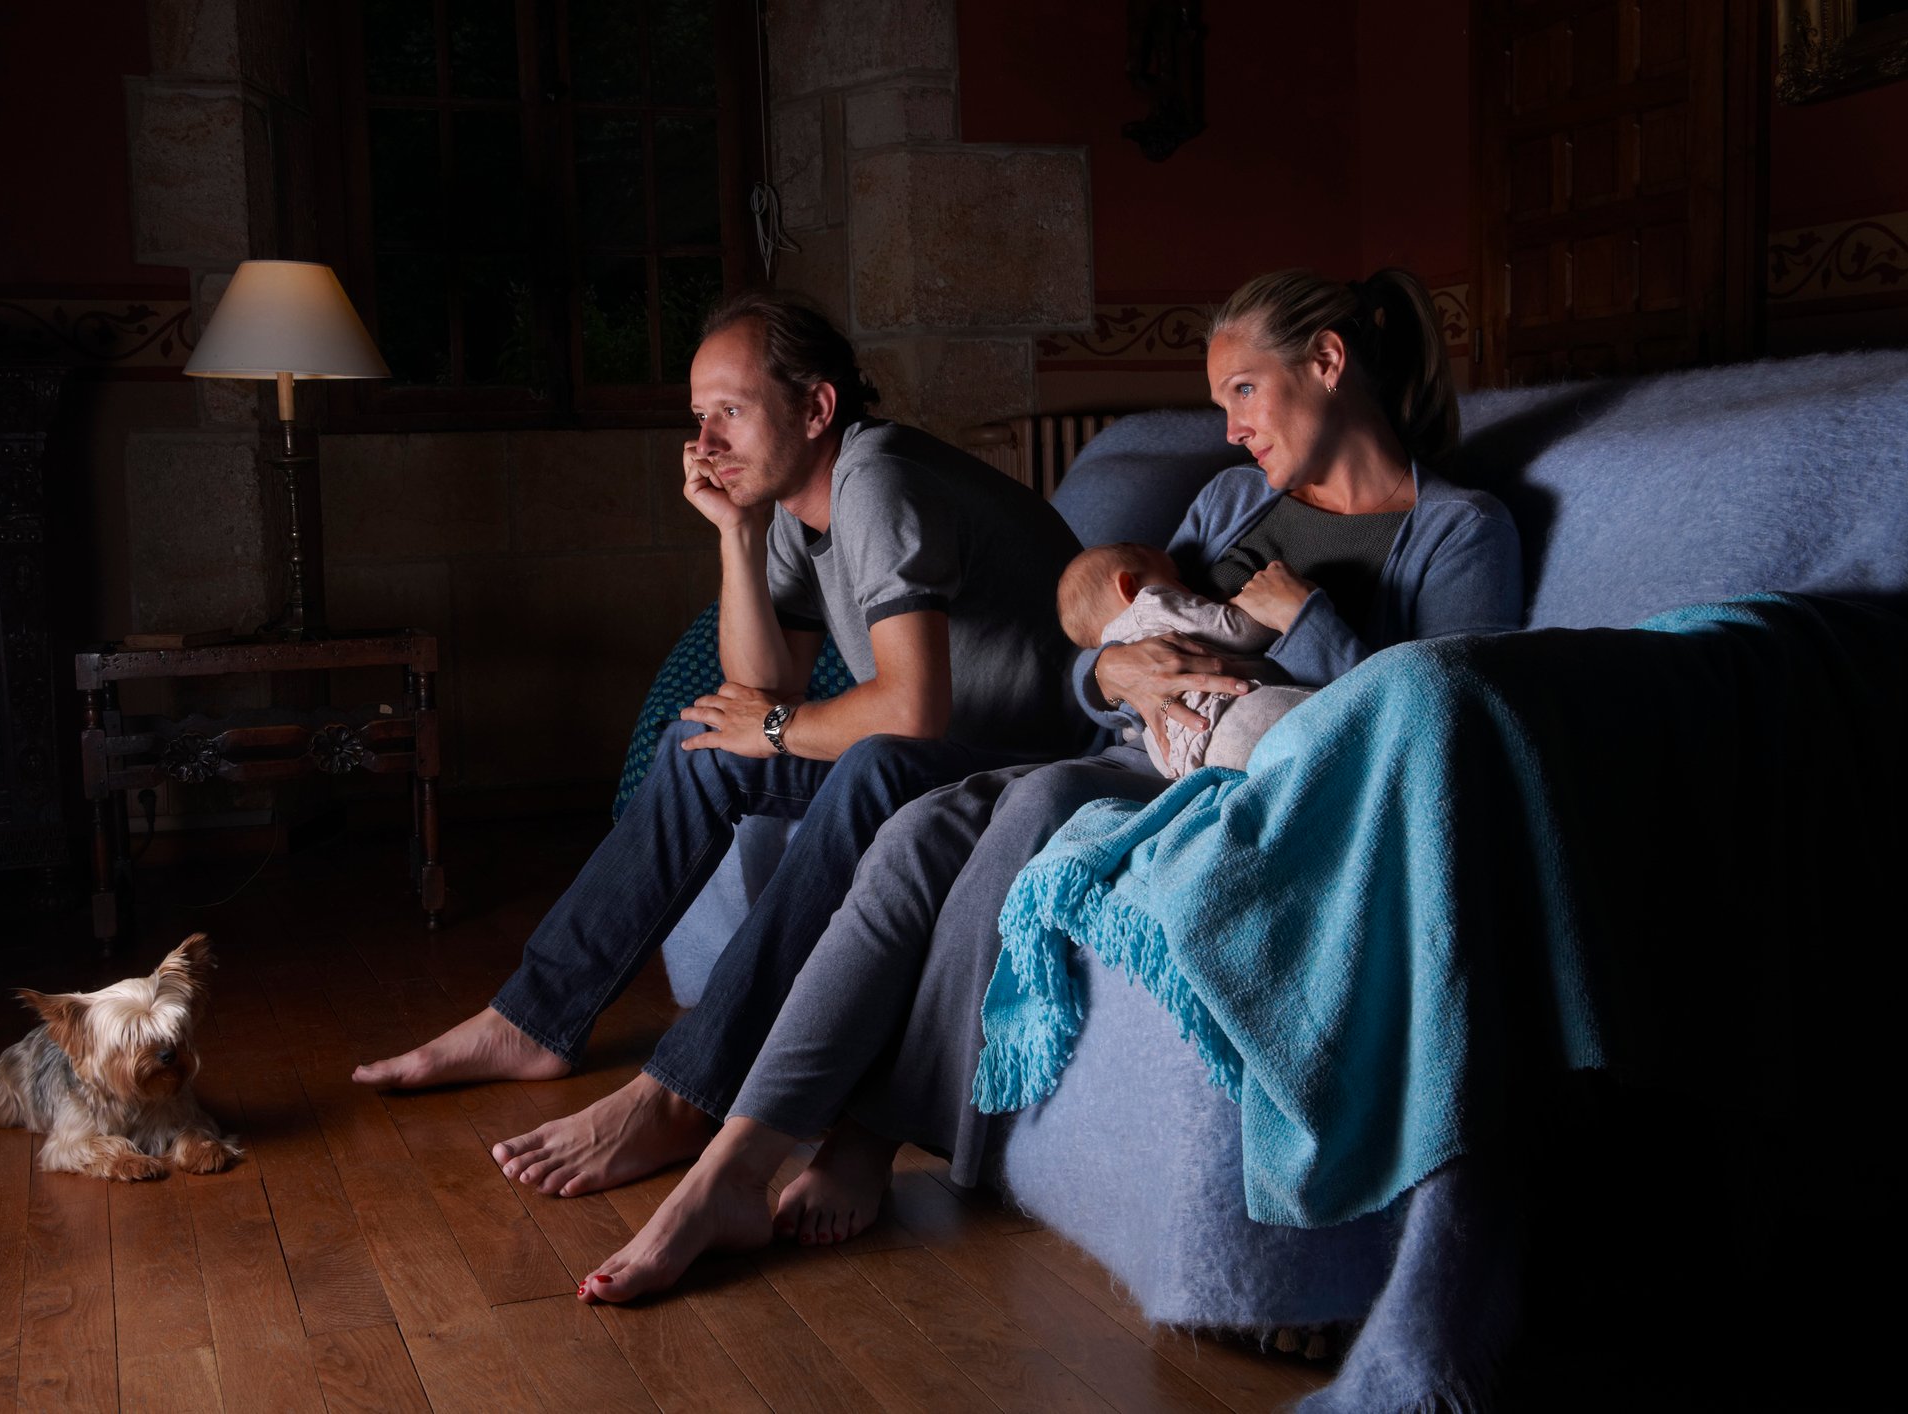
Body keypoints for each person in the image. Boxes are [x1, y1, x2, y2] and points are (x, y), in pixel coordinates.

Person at [575, 266, 1526, 1303]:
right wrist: (1113, 669)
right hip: (1124, 749)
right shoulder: (1226, 503)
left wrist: (1308, 620)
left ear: (1328, 364)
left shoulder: (1459, 529)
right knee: (917, 828)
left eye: (1242, 393)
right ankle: (732, 1166)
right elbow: (1102, 658)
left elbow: (1437, 729)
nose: (1231, 428)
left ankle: (872, 1126)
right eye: (1220, 405)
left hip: (1254, 778)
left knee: (1023, 808)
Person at [351, 292, 1088, 1198]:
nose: (706, 441)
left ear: (817, 409)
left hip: (1035, 771)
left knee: (867, 759)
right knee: (702, 744)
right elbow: (762, 693)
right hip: (945, 758)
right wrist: (736, 538)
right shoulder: (792, 506)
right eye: (697, 417)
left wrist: (774, 727)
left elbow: (912, 713)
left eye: (730, 411)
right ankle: (535, 1019)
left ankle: (688, 1090)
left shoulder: (877, 479)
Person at [1056, 541, 1312, 777]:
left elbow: (1132, 729)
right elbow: (1236, 630)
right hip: (1232, 715)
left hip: (1183, 764)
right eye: (1176, 579)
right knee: (1326, 719)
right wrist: (1280, 610)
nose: (1188, 590)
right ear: (1130, 587)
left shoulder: (1119, 647)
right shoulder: (1150, 605)